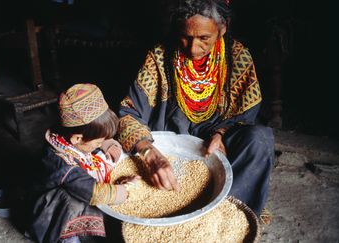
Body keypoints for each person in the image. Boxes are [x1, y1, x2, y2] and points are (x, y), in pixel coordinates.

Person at [117, 0, 275, 218]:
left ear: (223, 28)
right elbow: (128, 115)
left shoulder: (238, 57)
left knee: (259, 139)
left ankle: (228, 216)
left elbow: (245, 116)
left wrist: (221, 133)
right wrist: (150, 154)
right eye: (186, 36)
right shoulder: (160, 57)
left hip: (217, 145)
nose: (193, 48)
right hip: (173, 144)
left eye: (204, 38)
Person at [27, 83, 140, 243]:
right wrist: (127, 190)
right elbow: (92, 191)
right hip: (50, 210)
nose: (100, 144)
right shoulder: (62, 164)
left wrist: (106, 143)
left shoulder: (69, 135)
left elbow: (96, 138)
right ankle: (68, 238)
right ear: (78, 138)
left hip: (75, 174)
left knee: (105, 157)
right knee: (75, 201)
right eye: (98, 141)